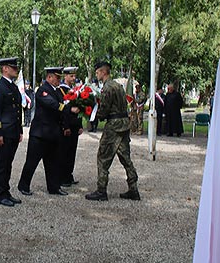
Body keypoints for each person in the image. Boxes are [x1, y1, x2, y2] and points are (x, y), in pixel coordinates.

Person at [17, 67, 79, 196]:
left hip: (53, 133)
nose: (59, 80)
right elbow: (52, 105)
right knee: (32, 162)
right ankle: (24, 185)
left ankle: (54, 187)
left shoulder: (57, 91)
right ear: (49, 77)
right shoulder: (43, 90)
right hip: (40, 134)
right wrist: (69, 109)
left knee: (53, 163)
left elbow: (60, 108)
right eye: (57, 77)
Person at [85, 61, 140, 202]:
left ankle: (101, 191)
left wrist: (93, 114)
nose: (97, 75)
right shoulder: (118, 86)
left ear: (104, 72)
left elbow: (104, 110)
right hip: (123, 124)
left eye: (98, 72)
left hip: (113, 126)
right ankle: (133, 189)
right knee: (126, 158)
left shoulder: (108, 87)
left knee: (103, 157)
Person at [0, 57, 24, 207]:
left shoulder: (13, 87)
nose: (15, 70)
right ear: (5, 69)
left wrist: (20, 130)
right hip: (3, 133)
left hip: (13, 132)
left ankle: (6, 191)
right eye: (13, 67)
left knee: (8, 164)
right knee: (1, 164)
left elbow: (18, 111)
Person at [59, 67, 83, 187]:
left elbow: (78, 110)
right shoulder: (62, 90)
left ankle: (69, 175)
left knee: (72, 152)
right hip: (67, 126)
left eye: (74, 76)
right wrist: (65, 126)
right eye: (71, 76)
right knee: (65, 152)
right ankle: (63, 177)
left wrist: (80, 125)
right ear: (66, 77)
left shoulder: (74, 91)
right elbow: (64, 112)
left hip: (74, 126)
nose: (74, 79)